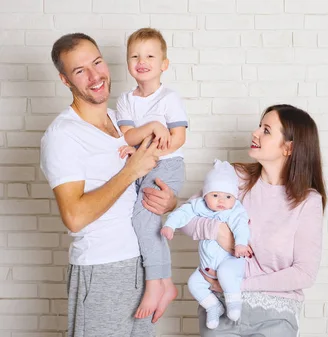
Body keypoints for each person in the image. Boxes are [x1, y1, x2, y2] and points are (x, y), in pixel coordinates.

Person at [40, 33, 177, 337]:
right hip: (101, 270)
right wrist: (130, 171)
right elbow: (74, 216)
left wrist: (169, 203)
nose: (94, 75)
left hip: (141, 266)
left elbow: (144, 186)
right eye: (80, 71)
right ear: (65, 80)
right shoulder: (63, 135)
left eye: (97, 62)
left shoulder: (121, 122)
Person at [179, 104, 327, 336]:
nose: (255, 133)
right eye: (259, 126)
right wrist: (216, 229)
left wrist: (239, 285)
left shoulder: (307, 201)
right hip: (221, 309)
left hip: (275, 315)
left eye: (266, 130)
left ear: (289, 147)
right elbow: (186, 216)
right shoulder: (234, 177)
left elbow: (304, 273)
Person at [115, 27, 187, 320]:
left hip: (166, 166)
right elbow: (127, 136)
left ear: (163, 64)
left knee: (144, 221)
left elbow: (178, 138)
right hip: (141, 167)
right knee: (142, 222)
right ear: (128, 62)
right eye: (134, 55)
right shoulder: (125, 100)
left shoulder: (169, 98)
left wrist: (149, 153)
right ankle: (165, 283)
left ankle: (155, 284)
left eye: (149, 55)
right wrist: (153, 131)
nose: (141, 61)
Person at [162, 159, 251, 329]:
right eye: (215, 195)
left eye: (228, 196)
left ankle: (234, 303)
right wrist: (170, 225)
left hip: (230, 261)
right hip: (206, 267)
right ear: (205, 194)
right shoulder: (200, 205)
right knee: (193, 283)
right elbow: (183, 212)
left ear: (234, 197)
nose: (221, 201)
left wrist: (240, 244)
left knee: (226, 273)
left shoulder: (234, 210)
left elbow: (242, 227)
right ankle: (213, 307)